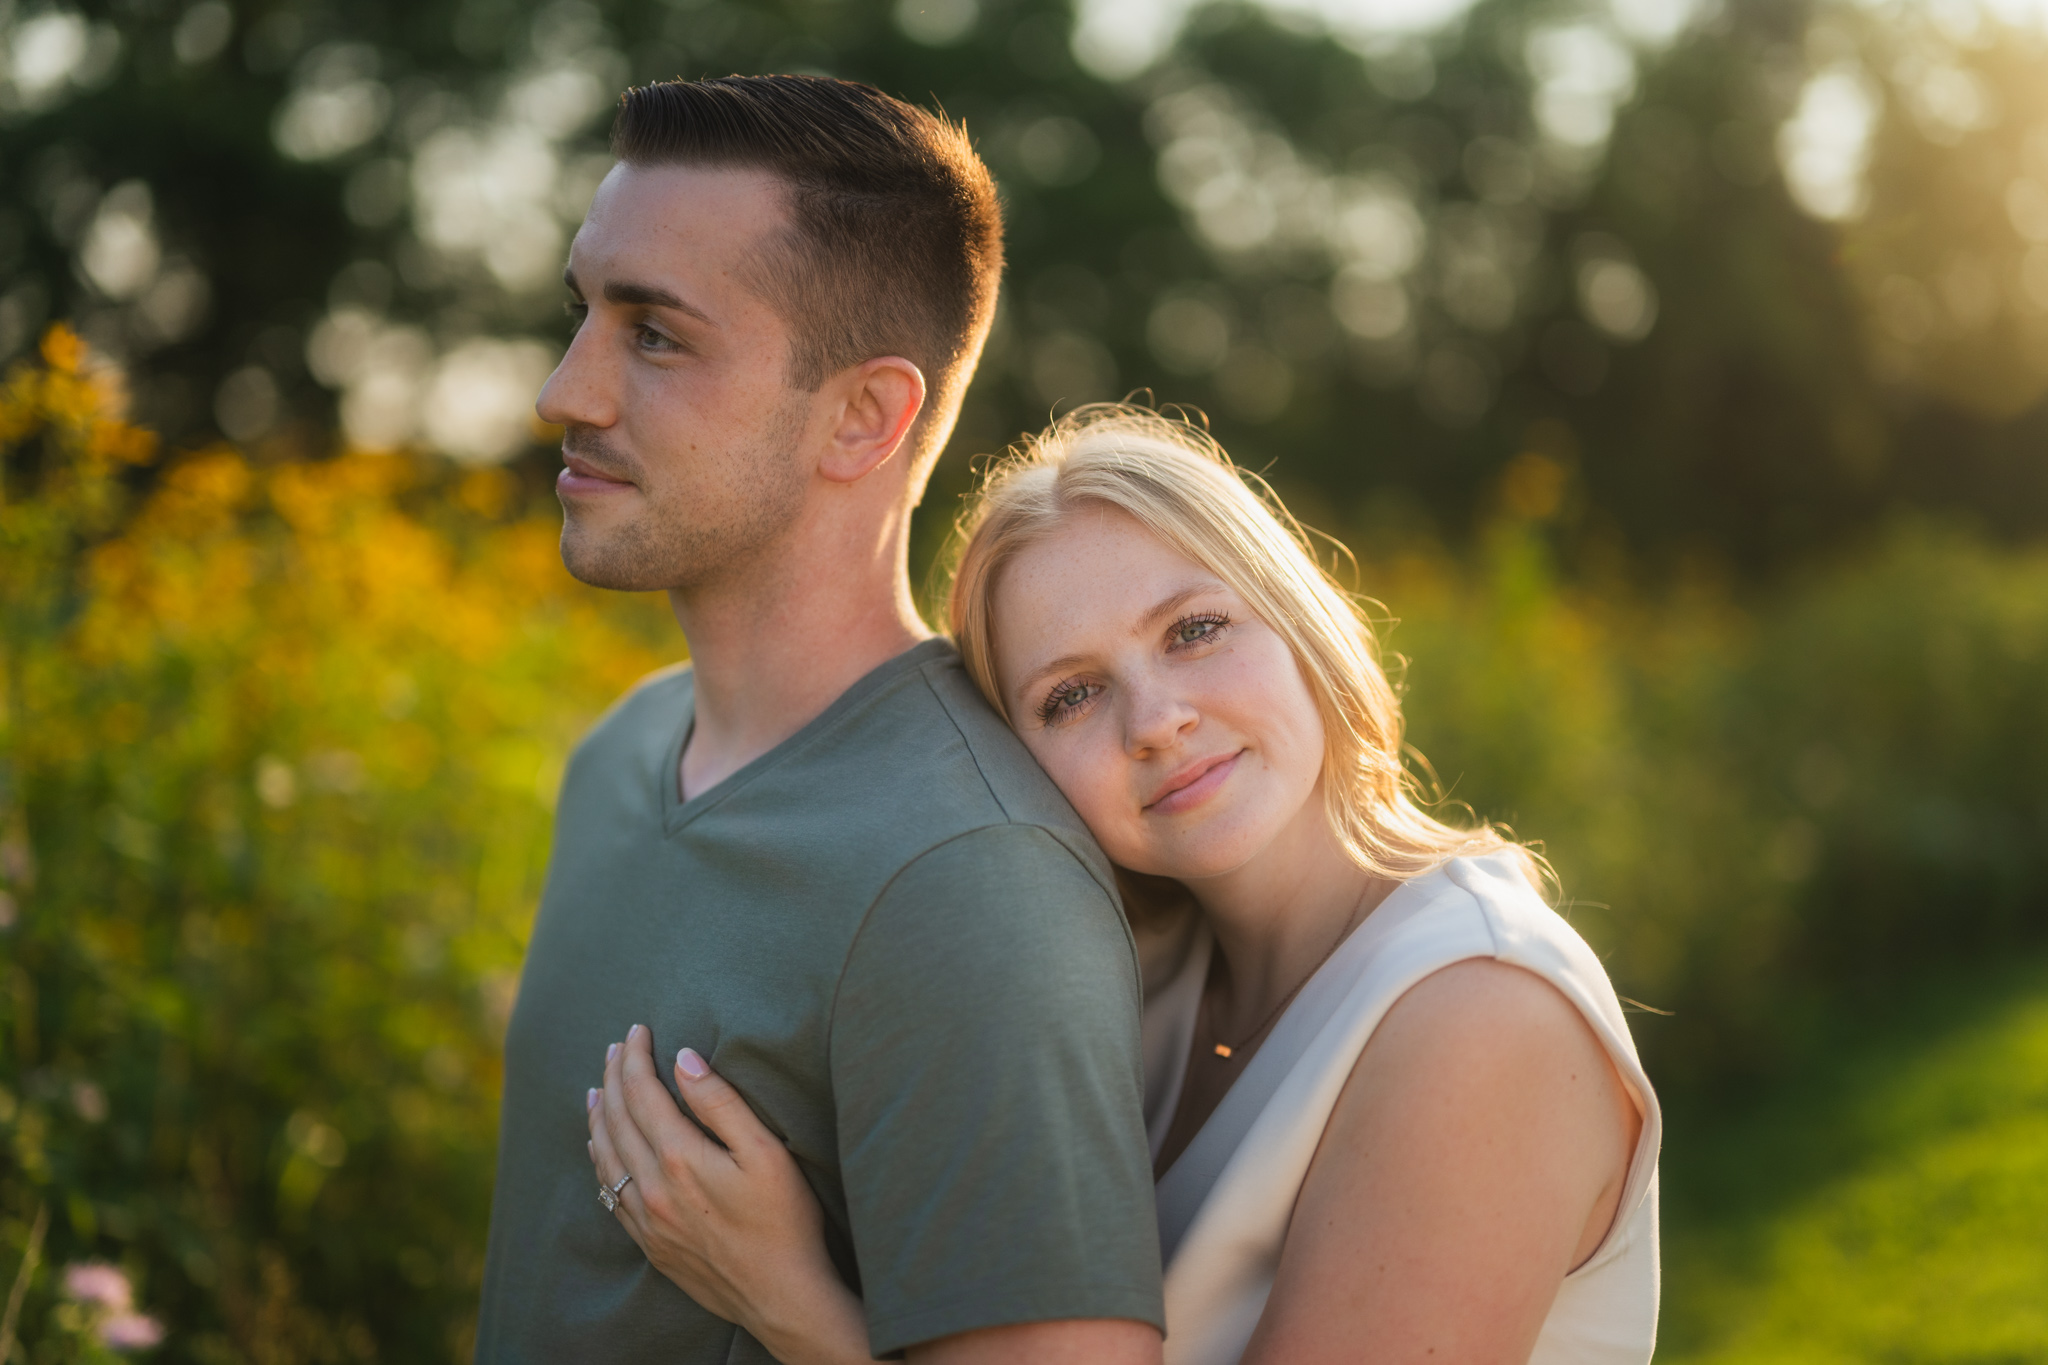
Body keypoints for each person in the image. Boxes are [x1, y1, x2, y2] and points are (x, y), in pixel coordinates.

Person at [585, 406, 1663, 1365]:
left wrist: (790, 1306)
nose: (1154, 722)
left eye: (1194, 630)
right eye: (1070, 696)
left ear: (1296, 617)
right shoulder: (1142, 979)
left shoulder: (1484, 1010)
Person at [473, 79, 1169, 1364]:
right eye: (584, 314)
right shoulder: (624, 753)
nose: (565, 392)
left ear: (862, 418)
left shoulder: (967, 877)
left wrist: (793, 1313)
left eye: (655, 336)